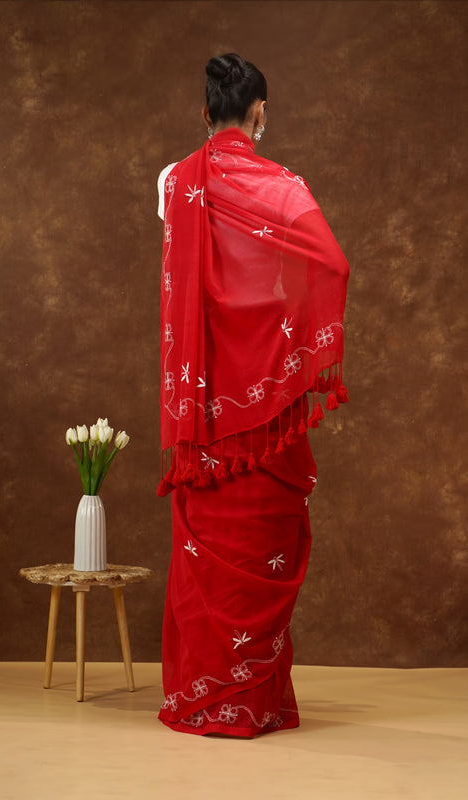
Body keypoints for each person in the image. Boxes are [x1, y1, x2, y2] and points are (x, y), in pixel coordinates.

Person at [156, 53, 349, 737]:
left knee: (212, 552)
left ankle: (201, 697)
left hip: (205, 405)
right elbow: (329, 263)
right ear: (259, 113)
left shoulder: (174, 181)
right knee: (261, 538)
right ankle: (254, 704)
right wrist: (283, 339)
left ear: (205, 113)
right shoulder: (285, 188)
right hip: (266, 401)